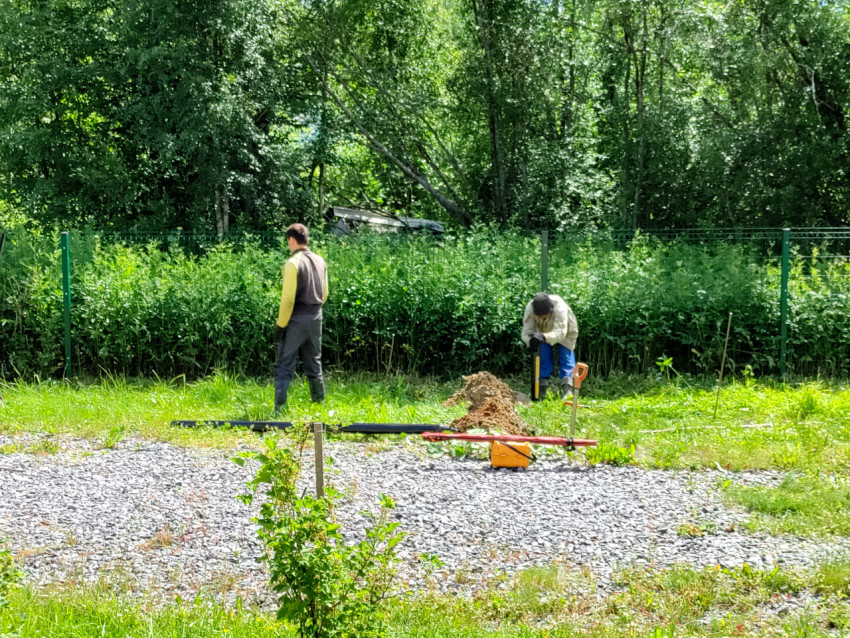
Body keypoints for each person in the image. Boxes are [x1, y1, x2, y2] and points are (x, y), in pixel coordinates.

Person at [274, 223, 328, 412]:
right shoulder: (321, 261)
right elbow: (325, 294)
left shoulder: (293, 263)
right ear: (307, 240)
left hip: (296, 318)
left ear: (291, 240)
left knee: (284, 363)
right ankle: (319, 405)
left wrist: (281, 324)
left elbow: (288, 299)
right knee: (314, 361)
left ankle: (279, 409)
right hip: (316, 316)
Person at [521, 291, 578, 400]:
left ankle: (567, 390)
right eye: (540, 315)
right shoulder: (530, 308)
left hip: (566, 330)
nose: (543, 316)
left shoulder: (559, 306)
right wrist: (531, 340)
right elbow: (525, 333)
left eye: (545, 314)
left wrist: (544, 336)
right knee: (543, 356)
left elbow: (561, 333)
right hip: (542, 330)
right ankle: (542, 389)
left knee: (565, 355)